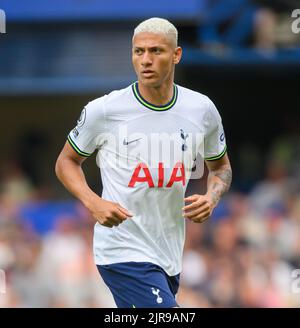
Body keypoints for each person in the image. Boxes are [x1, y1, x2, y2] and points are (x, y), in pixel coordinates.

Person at [55, 17, 232, 308]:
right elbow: (66, 162)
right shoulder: (105, 110)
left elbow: (221, 167)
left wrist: (212, 198)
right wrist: (92, 202)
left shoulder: (201, 110)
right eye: (139, 52)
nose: (145, 60)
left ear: (176, 55)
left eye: (156, 51)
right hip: (121, 251)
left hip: (168, 254)